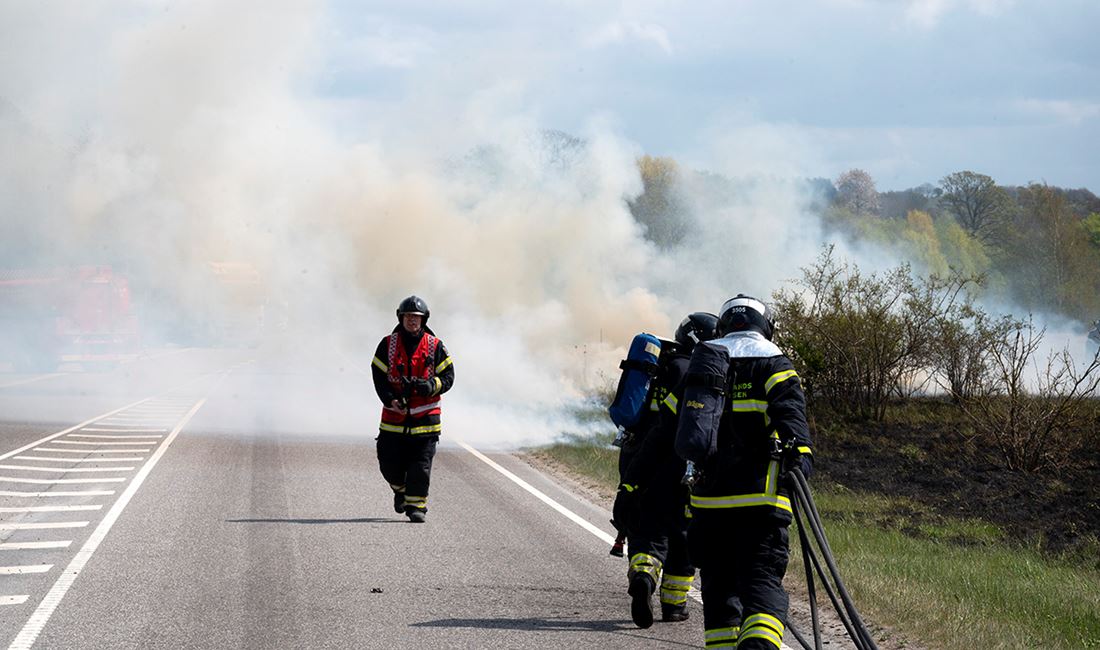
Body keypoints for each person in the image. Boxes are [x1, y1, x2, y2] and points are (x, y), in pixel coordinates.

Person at [675, 294, 813, 649]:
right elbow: (794, 427)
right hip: (760, 504)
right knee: (762, 584)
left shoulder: (702, 362)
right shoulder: (774, 362)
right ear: (765, 326)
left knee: (719, 592)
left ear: (722, 325)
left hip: (707, 505)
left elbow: (678, 427)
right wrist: (801, 464)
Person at [619, 312, 719, 629]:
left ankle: (644, 575)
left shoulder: (659, 367)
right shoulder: (696, 374)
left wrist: (631, 482)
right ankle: (674, 606)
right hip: (680, 465)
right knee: (683, 536)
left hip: (641, 458)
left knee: (646, 529)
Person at [371, 295, 454, 523]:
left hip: (426, 419)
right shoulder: (388, 344)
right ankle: (401, 491)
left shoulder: (435, 346)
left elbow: (448, 377)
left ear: (424, 319)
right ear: (401, 317)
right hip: (394, 417)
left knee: (420, 465)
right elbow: (378, 375)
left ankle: (416, 507)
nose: (412, 321)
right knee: (388, 463)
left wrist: (430, 386)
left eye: (417, 317)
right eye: (408, 316)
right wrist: (389, 399)